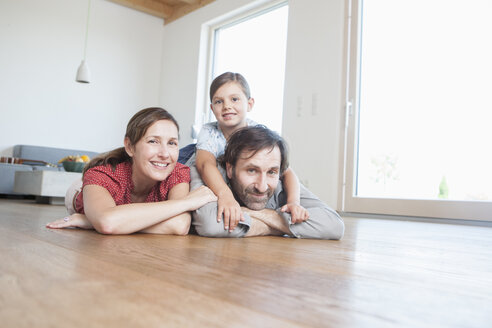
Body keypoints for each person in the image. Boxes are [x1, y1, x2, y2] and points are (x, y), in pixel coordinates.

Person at [46, 107, 217, 235]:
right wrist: (186, 203)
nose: (165, 154)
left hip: (117, 211)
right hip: (80, 191)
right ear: (129, 146)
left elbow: (179, 225)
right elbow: (107, 222)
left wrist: (93, 222)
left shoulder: (177, 172)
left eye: (172, 143)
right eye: (153, 141)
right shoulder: (101, 174)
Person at [189, 72, 308, 233]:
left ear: (250, 104)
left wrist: (294, 202)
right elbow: (205, 164)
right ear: (212, 108)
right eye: (219, 101)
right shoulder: (208, 132)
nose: (227, 106)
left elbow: (287, 171)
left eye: (235, 99)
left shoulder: (256, 133)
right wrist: (225, 196)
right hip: (208, 166)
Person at [191, 125, 345, 239]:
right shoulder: (207, 170)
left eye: (271, 172)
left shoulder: (280, 180)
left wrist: (258, 215)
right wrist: (285, 226)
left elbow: (334, 225)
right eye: (251, 170)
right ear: (230, 169)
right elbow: (209, 224)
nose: (262, 186)